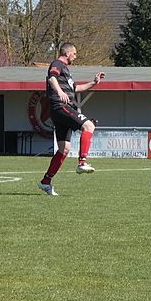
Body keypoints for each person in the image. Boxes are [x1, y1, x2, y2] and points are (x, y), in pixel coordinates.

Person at [38, 42, 105, 196]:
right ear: (67, 53)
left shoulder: (66, 71)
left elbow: (75, 89)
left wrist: (94, 83)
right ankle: (82, 162)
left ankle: (45, 181)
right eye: (74, 54)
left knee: (64, 148)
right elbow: (51, 78)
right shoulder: (57, 64)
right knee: (89, 126)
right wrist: (60, 92)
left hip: (60, 110)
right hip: (61, 106)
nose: (75, 57)